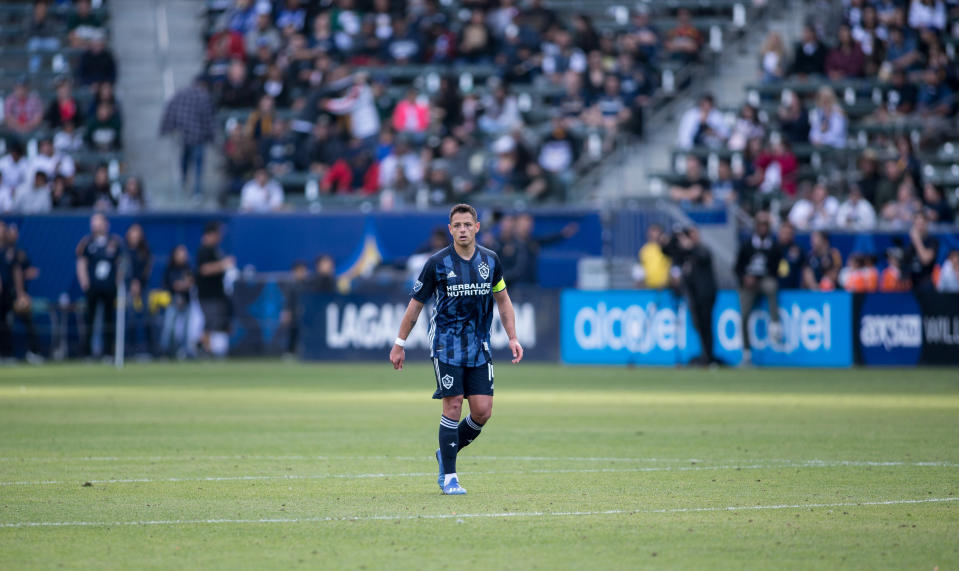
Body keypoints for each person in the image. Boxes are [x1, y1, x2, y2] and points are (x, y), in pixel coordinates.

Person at [390, 204, 523, 496]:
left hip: (479, 346)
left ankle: (445, 453)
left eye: (467, 224)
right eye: (457, 225)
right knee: (452, 405)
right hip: (446, 345)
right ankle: (449, 477)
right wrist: (400, 343)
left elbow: (503, 300)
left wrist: (512, 337)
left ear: (477, 227)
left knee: (482, 411)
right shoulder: (436, 263)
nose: (462, 230)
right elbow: (416, 305)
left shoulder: (491, 260)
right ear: (450, 230)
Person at [734, 211, 782, 366]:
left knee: (771, 286)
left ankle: (775, 323)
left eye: (765, 225)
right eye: (760, 225)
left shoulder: (773, 246)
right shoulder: (747, 244)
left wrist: (760, 277)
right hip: (748, 284)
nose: (762, 228)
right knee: (744, 315)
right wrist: (746, 278)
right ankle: (746, 353)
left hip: (764, 280)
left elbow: (776, 269)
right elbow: (737, 267)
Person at [159, 76, 217, 198]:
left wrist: (167, 128)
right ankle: (197, 191)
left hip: (184, 136)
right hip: (198, 137)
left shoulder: (180, 94)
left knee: (184, 161)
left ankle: (183, 184)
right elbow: (208, 119)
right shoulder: (204, 96)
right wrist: (212, 137)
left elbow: (170, 110)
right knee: (198, 165)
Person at [76, 213, 124, 358]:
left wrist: (118, 282)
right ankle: (87, 352)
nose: (95, 225)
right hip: (93, 288)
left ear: (106, 224)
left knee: (109, 320)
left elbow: (120, 264)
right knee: (90, 319)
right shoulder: (87, 242)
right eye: (93, 222)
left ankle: (109, 352)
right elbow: (81, 262)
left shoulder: (114, 242)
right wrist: (84, 282)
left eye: (98, 222)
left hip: (109, 287)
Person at [676, 226, 718, 366]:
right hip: (693, 295)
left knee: (706, 325)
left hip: (706, 294)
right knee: (698, 325)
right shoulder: (685, 253)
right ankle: (705, 355)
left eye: (693, 235)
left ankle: (708, 356)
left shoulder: (702, 249)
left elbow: (704, 257)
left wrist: (690, 247)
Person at [196, 222, 236, 356]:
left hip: (217, 293)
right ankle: (203, 347)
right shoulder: (204, 250)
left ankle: (205, 347)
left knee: (216, 321)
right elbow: (204, 269)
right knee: (210, 321)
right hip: (207, 294)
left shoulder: (215, 249)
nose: (220, 237)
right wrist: (223, 265)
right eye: (218, 233)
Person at [3, 223, 41, 362]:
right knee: (4, 323)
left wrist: (20, 294)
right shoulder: (4, 251)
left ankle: (33, 352)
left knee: (27, 320)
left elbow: (19, 272)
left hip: (15, 294)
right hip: (4, 295)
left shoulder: (18, 252)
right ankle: (6, 354)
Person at [124, 224, 154, 356]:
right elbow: (123, 269)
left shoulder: (145, 251)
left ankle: (149, 349)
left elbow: (147, 270)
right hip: (128, 288)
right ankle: (130, 349)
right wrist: (131, 282)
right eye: (133, 232)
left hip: (143, 287)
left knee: (147, 317)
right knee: (130, 318)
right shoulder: (124, 251)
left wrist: (138, 282)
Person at [160, 244, 194, 359]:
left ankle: (183, 352)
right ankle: (165, 352)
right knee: (169, 328)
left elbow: (191, 283)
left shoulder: (188, 268)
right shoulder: (170, 269)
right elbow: (175, 285)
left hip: (186, 302)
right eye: (180, 253)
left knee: (185, 329)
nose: (183, 255)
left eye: (184, 253)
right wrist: (184, 284)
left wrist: (185, 284)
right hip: (173, 302)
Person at [904, 212, 939, 292]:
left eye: (921, 223)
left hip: (925, 283)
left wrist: (917, 240)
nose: (919, 226)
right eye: (916, 223)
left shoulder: (931, 241)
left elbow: (926, 260)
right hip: (911, 283)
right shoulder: (910, 244)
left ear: (926, 224)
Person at [280, 261, 309, 356]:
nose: (301, 273)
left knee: (306, 334)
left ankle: (304, 352)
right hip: (294, 314)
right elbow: (288, 301)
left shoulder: (309, 285)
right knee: (293, 332)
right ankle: (290, 352)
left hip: (306, 313)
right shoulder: (291, 286)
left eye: (303, 271)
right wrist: (286, 312)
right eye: (299, 271)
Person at [636, 224, 670, 289]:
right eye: (651, 232)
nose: (653, 234)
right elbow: (640, 268)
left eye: (655, 231)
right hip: (649, 287)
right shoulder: (645, 250)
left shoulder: (666, 248)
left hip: (666, 287)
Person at [776, 221, 805, 290]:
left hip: (793, 288)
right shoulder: (772, 248)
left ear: (793, 235)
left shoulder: (797, 250)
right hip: (775, 287)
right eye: (784, 233)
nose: (786, 236)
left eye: (789, 234)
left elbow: (804, 267)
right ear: (779, 233)